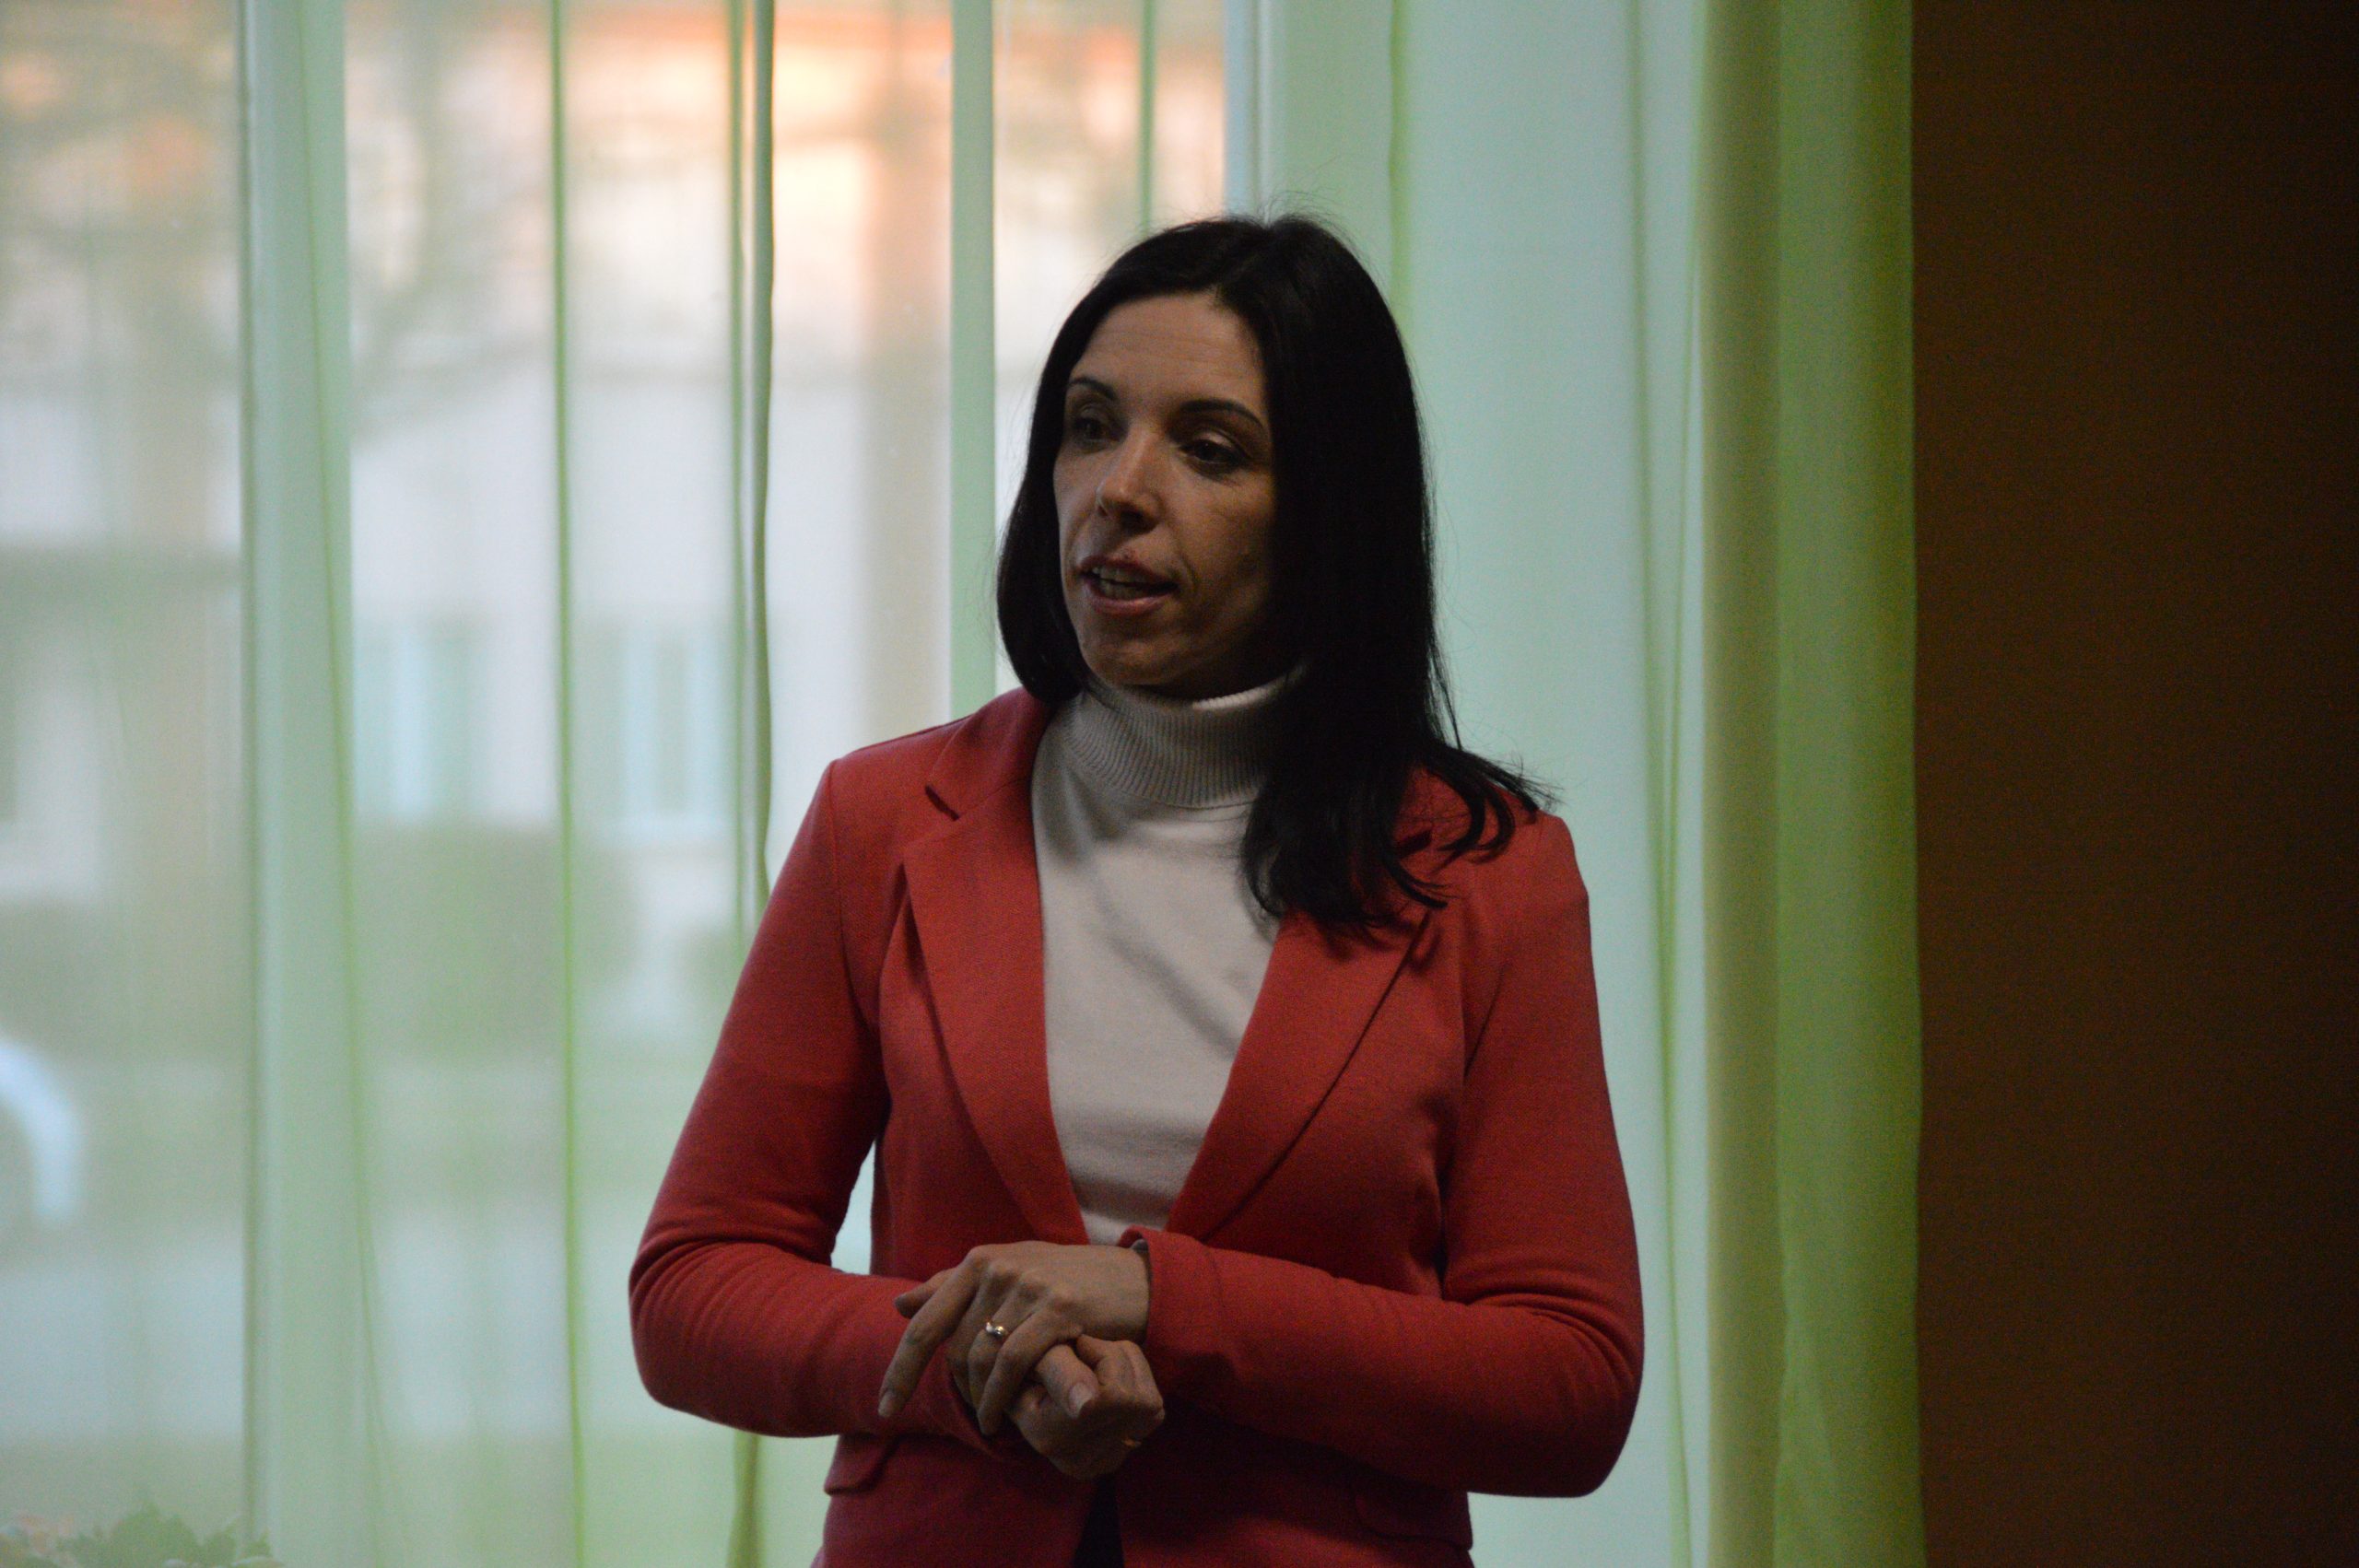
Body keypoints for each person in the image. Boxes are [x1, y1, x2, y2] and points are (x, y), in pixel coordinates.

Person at [629, 213, 1643, 1567]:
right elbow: (692, 1288)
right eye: (1090, 427)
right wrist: (983, 1356)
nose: (1117, 487)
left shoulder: (1485, 871)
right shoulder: (885, 822)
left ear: (1328, 513)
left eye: (1209, 449)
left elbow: (1569, 1384)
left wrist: (1165, 1304)